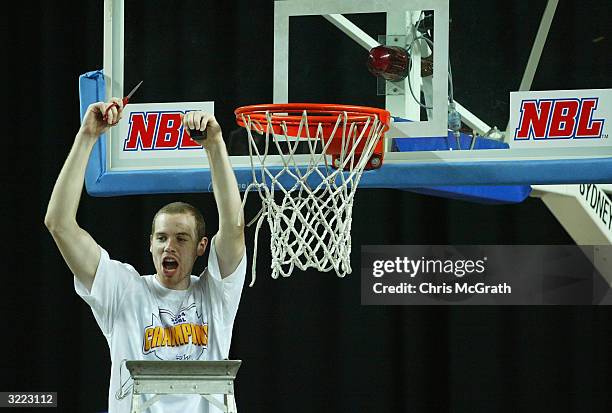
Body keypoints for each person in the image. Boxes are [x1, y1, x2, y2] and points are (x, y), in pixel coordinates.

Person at [44, 98, 246, 412]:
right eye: (162, 238)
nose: (170, 247)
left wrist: (215, 145)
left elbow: (233, 226)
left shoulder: (216, 294)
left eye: (182, 238)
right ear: (150, 244)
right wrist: (87, 136)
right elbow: (58, 223)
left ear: (201, 247)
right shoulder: (123, 290)